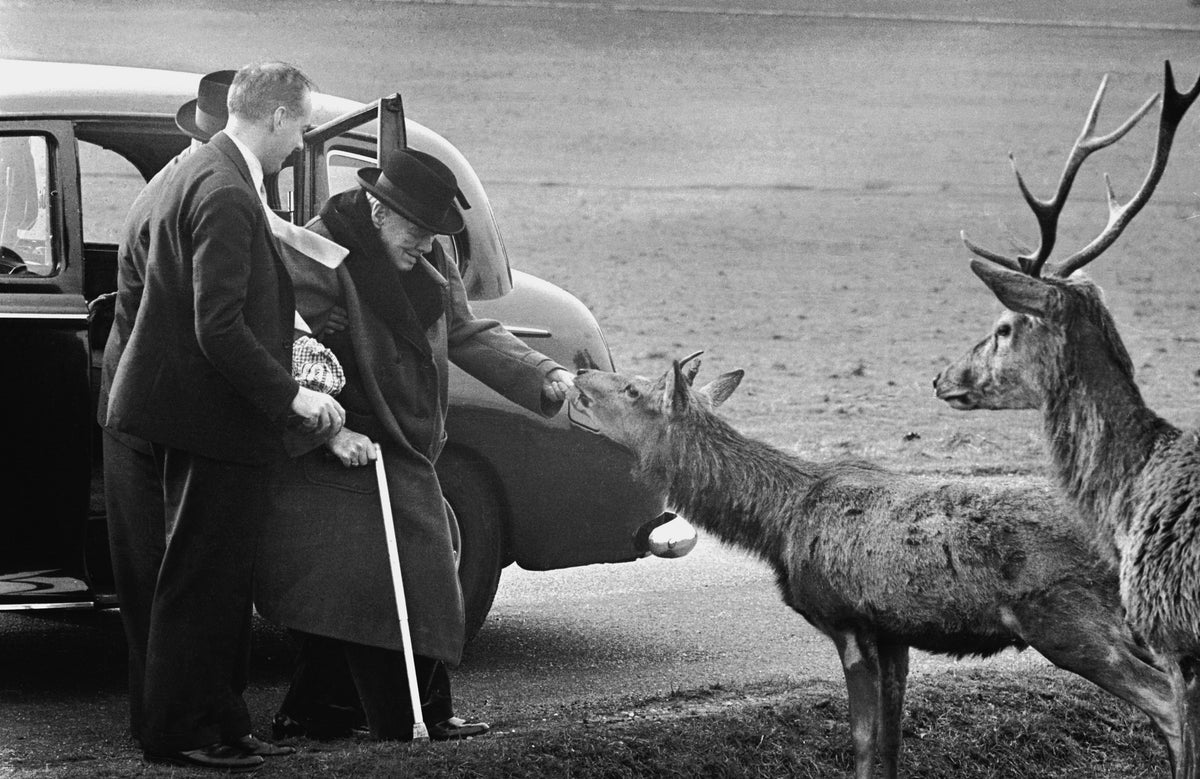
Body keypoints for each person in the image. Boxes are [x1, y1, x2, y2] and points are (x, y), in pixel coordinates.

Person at [254, 148, 574, 742]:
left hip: (404, 440)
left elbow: (466, 329)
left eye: (435, 234)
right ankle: (412, 717)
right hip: (341, 441)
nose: (427, 245)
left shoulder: (431, 256)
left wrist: (541, 374)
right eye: (418, 231)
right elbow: (285, 352)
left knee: (381, 579)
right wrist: (332, 433)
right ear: (378, 211)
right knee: (380, 578)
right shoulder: (318, 251)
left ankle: (320, 714)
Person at [106, 61, 345, 773]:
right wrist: (292, 396)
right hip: (203, 416)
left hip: (184, 412)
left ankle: (212, 719)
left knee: (198, 577)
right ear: (275, 118)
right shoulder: (224, 191)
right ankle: (183, 732)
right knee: (199, 580)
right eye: (301, 128)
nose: (302, 144)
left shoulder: (199, 172)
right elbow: (218, 326)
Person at [97, 67, 235, 753]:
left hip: (140, 404)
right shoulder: (197, 194)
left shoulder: (177, 183)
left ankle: (193, 720)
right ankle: (171, 731)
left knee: (165, 579)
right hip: (153, 412)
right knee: (166, 581)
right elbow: (200, 319)